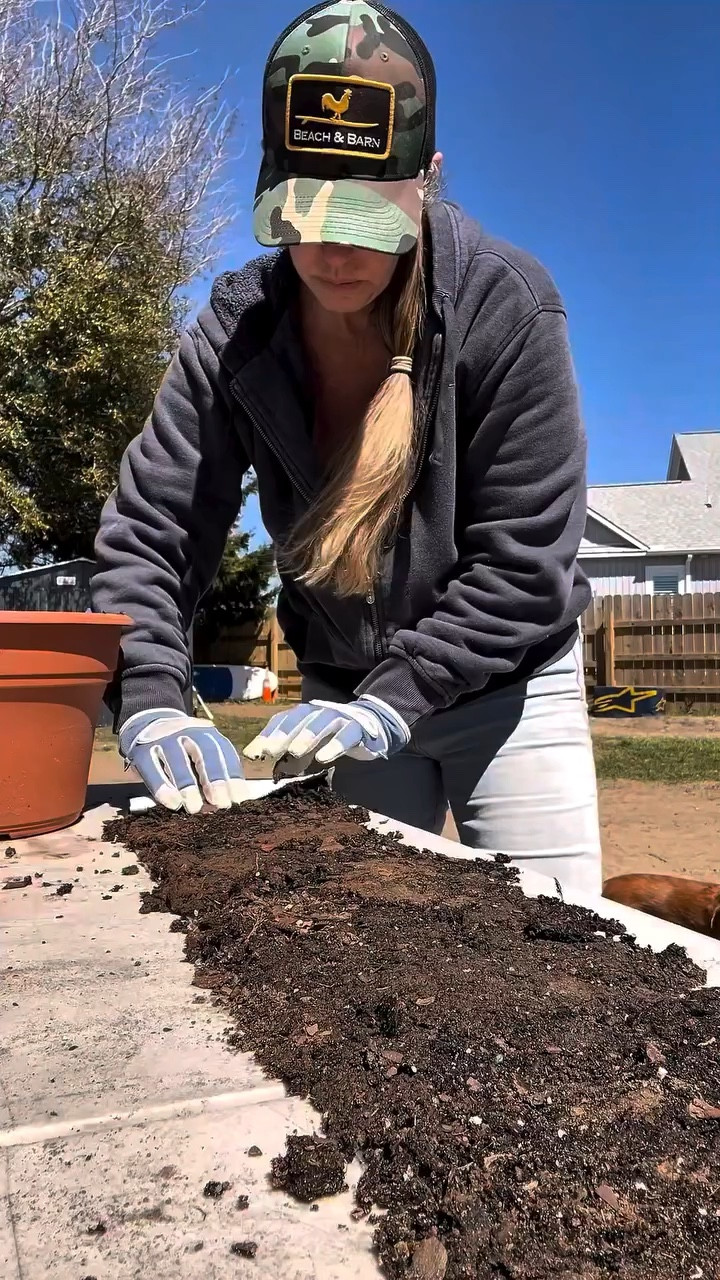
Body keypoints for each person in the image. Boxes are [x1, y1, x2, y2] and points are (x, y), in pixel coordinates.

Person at [92, 0, 602, 893]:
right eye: (304, 211)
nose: (331, 251)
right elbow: (153, 533)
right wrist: (152, 698)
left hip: (507, 688)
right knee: (331, 937)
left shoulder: (506, 307)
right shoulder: (237, 331)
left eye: (365, 212)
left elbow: (524, 564)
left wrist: (394, 701)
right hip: (338, 694)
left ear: (426, 176)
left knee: (561, 944)